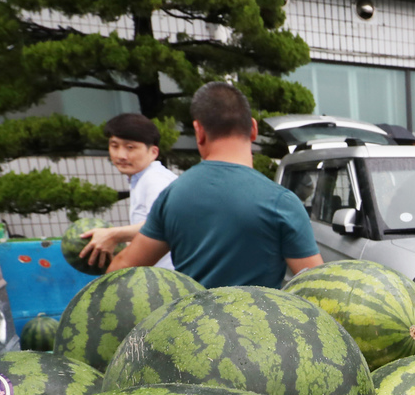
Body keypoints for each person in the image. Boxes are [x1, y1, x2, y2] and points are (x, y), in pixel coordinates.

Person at [107, 82, 322, 287]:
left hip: (190, 314)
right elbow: (317, 286)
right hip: (260, 315)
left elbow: (124, 267)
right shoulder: (281, 201)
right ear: (253, 129)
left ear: (199, 131)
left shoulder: (172, 195)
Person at [80, 113, 178, 271]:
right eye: (114, 146)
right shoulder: (142, 178)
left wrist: (113, 235)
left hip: (169, 278)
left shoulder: (155, 180)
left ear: (153, 152)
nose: (121, 155)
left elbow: (165, 225)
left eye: (130, 147)